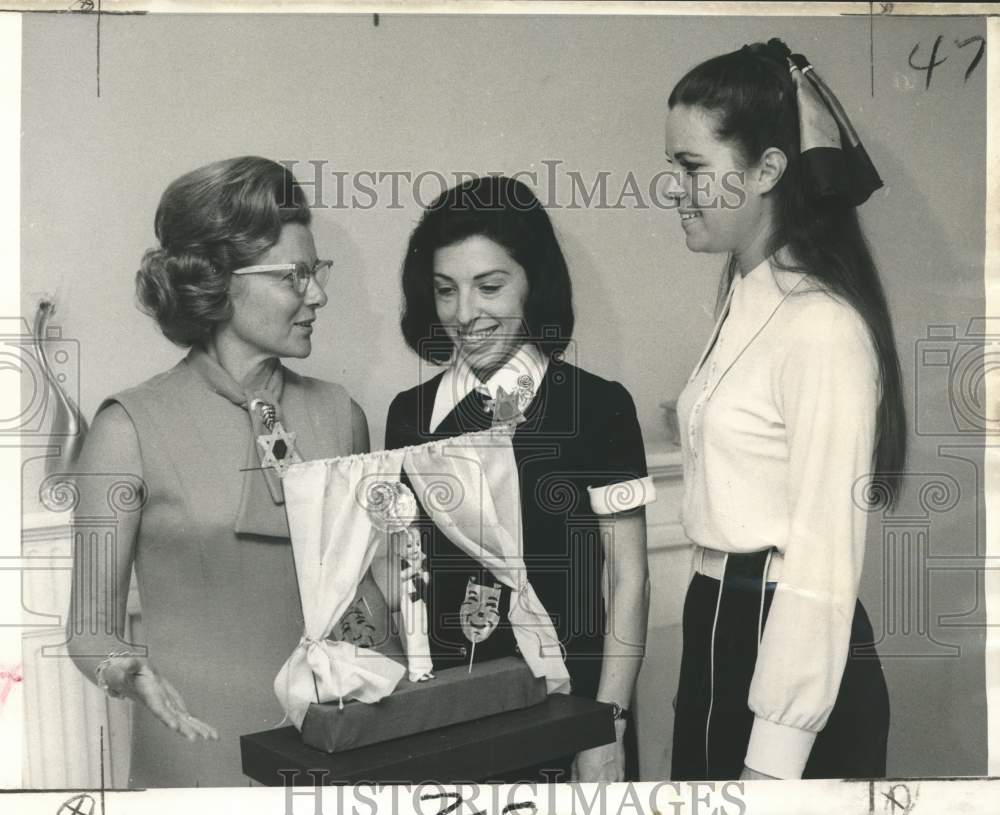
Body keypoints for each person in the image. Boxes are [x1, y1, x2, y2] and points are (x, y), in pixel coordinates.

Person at [66, 156, 372, 787]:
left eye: (318, 273)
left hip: (334, 749)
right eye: (296, 276)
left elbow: (359, 604)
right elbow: (89, 629)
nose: (318, 294)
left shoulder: (341, 415)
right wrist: (127, 672)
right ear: (219, 280)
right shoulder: (126, 428)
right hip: (196, 753)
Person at [663, 39, 906, 781]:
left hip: (785, 653)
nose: (673, 188)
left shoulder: (822, 327)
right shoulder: (744, 298)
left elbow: (823, 565)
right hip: (716, 627)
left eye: (693, 167)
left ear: (768, 170)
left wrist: (772, 763)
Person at [384, 175, 654, 782]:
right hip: (450, 715)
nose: (465, 314)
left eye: (490, 287)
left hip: (575, 709)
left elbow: (630, 578)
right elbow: (408, 577)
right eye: (445, 291)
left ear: (534, 283)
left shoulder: (597, 405)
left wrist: (605, 727)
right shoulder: (408, 415)